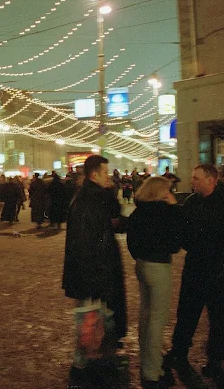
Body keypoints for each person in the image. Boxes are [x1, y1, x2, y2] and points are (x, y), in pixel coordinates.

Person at [164, 164, 224, 377]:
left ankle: (214, 359)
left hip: (216, 268)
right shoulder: (191, 202)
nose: (192, 181)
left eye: (196, 178)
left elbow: (221, 235)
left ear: (211, 180)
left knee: (217, 316)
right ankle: (179, 351)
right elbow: (185, 233)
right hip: (195, 266)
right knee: (187, 312)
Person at [63, 155, 127, 375]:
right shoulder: (92, 199)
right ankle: (89, 362)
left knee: (93, 315)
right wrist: (96, 276)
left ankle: (90, 358)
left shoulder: (90, 196)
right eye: (105, 173)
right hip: (94, 271)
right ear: (94, 174)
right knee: (93, 317)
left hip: (91, 271)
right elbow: (86, 242)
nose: (108, 177)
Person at [127, 177, 184, 388]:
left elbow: (131, 240)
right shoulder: (163, 213)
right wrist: (175, 208)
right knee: (157, 319)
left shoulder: (138, 211)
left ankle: (148, 363)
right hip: (159, 266)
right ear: (161, 192)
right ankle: (152, 371)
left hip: (142, 264)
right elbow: (176, 241)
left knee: (146, 315)